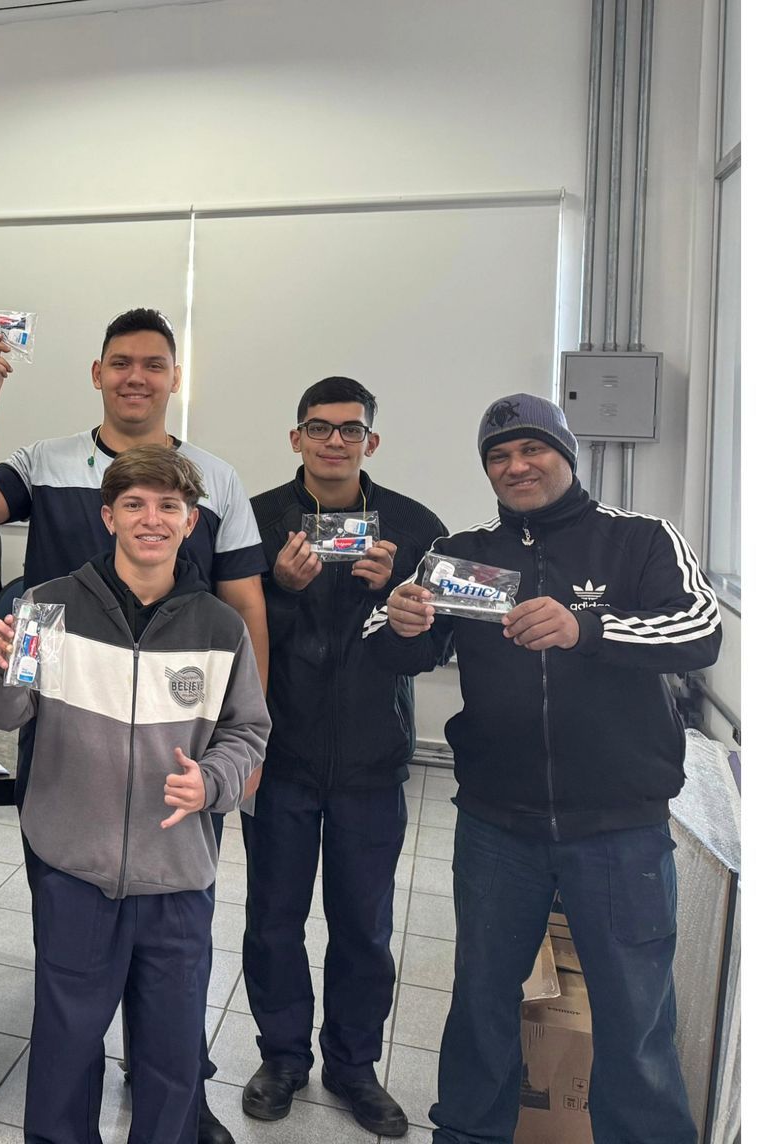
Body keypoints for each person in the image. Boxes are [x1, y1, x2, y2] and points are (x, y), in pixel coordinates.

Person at [0, 306, 266, 1143]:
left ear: (189, 519)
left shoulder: (217, 609)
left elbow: (246, 709)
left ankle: (179, 1119)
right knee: (67, 1032)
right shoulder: (47, 597)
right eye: (134, 505)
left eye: (168, 507)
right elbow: (5, 711)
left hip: (175, 849)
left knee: (168, 1042)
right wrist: (7, 664)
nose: (152, 519)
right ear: (107, 512)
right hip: (72, 833)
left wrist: (228, 775)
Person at [367, 393, 722, 1144]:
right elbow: (397, 641)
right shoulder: (467, 554)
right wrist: (399, 621)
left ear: (567, 452)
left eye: (532, 449)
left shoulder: (641, 541)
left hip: (620, 829)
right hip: (498, 824)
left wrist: (586, 627)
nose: (516, 466)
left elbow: (700, 628)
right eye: (498, 456)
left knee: (635, 1019)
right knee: (481, 1005)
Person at [239, 377, 447, 1137]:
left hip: (371, 764)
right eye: (319, 428)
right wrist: (281, 589)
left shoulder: (417, 528)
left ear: (371, 441)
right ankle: (283, 1056)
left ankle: (354, 1066)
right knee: (272, 919)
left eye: (349, 430)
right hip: (280, 757)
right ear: (294, 437)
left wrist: (397, 604)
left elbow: (433, 649)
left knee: (363, 927)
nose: (334, 442)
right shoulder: (255, 520)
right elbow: (232, 630)